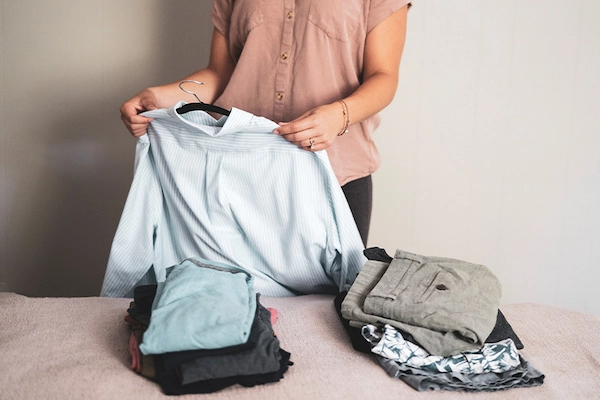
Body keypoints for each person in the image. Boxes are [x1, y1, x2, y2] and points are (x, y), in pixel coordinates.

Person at [120, 0, 410, 245]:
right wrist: (157, 97)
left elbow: (384, 76)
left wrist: (339, 115)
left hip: (336, 174)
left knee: (331, 307)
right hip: (236, 173)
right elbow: (219, 75)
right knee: (232, 299)